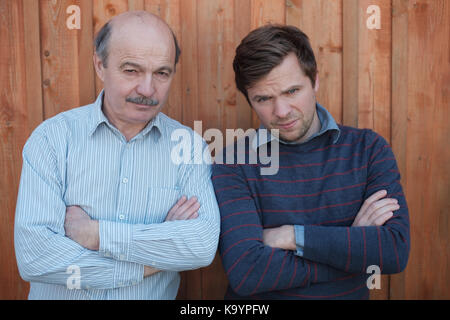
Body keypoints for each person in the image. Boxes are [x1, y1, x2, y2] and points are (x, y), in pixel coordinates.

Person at [14, 11, 220, 300]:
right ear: (100, 65)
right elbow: (35, 257)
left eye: (162, 73)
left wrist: (97, 235)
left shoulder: (188, 148)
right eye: (131, 70)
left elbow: (200, 245)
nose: (147, 89)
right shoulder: (52, 140)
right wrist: (149, 261)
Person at [212, 24, 410, 299]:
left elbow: (393, 251)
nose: (281, 111)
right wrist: (350, 249)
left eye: (292, 91)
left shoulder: (368, 150)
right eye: (264, 98)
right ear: (249, 99)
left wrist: (291, 236)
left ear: (314, 80)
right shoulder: (232, 164)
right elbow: (247, 272)